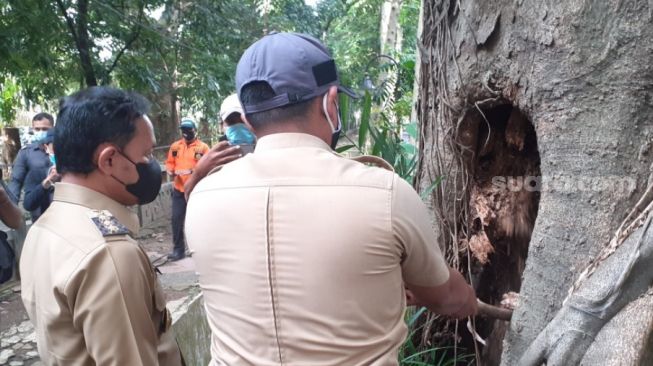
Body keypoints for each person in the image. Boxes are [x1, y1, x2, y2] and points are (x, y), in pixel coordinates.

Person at [185, 32, 478, 365]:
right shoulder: (384, 193)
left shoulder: (202, 199)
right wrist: (466, 298)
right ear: (331, 102)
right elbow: (447, 299)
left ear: (249, 120)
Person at [20, 87, 183, 365]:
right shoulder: (109, 253)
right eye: (145, 155)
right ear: (109, 160)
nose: (152, 165)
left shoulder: (45, 226)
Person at [165, 118, 209, 261]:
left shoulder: (202, 148)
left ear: (194, 130)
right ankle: (179, 250)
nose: (186, 133)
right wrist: (171, 171)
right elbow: (170, 162)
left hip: (196, 190)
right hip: (179, 189)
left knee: (198, 220)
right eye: (183, 131)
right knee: (176, 219)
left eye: (188, 130)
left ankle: (202, 249)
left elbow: (207, 165)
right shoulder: (175, 147)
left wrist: (192, 172)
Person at [8, 112, 54, 220]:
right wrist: (11, 208)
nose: (41, 132)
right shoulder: (26, 153)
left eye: (45, 129)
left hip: (63, 210)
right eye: (37, 129)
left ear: (53, 128)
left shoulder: (64, 150)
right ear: (32, 130)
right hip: (39, 213)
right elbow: (16, 181)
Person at [23, 129, 59, 219]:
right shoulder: (37, 172)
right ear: (46, 148)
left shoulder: (78, 171)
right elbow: (28, 205)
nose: (60, 153)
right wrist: (47, 182)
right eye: (56, 148)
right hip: (47, 225)